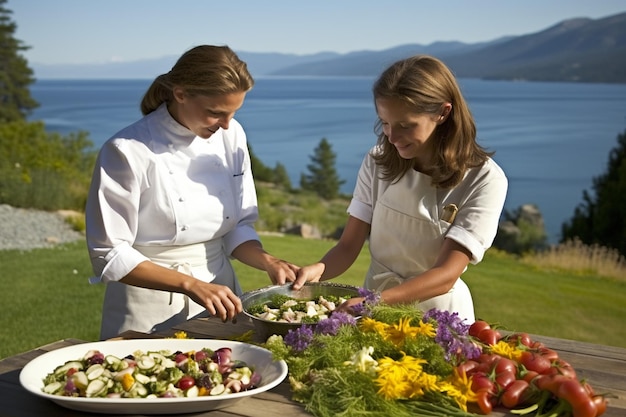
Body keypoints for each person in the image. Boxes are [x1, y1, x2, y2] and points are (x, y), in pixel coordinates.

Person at [86, 45, 301, 340]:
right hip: (148, 307)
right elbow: (109, 255)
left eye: (233, 113)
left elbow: (236, 225)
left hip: (222, 301)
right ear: (181, 94)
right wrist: (190, 284)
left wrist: (268, 260)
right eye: (215, 113)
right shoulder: (127, 150)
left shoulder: (232, 134)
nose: (226, 125)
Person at [294, 55, 508, 323]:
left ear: (443, 113)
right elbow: (348, 245)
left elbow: (446, 274)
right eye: (385, 123)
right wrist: (319, 270)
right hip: (374, 309)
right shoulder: (377, 161)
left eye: (405, 125)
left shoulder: (485, 179)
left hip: (439, 318)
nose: (392, 137)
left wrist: (372, 303)